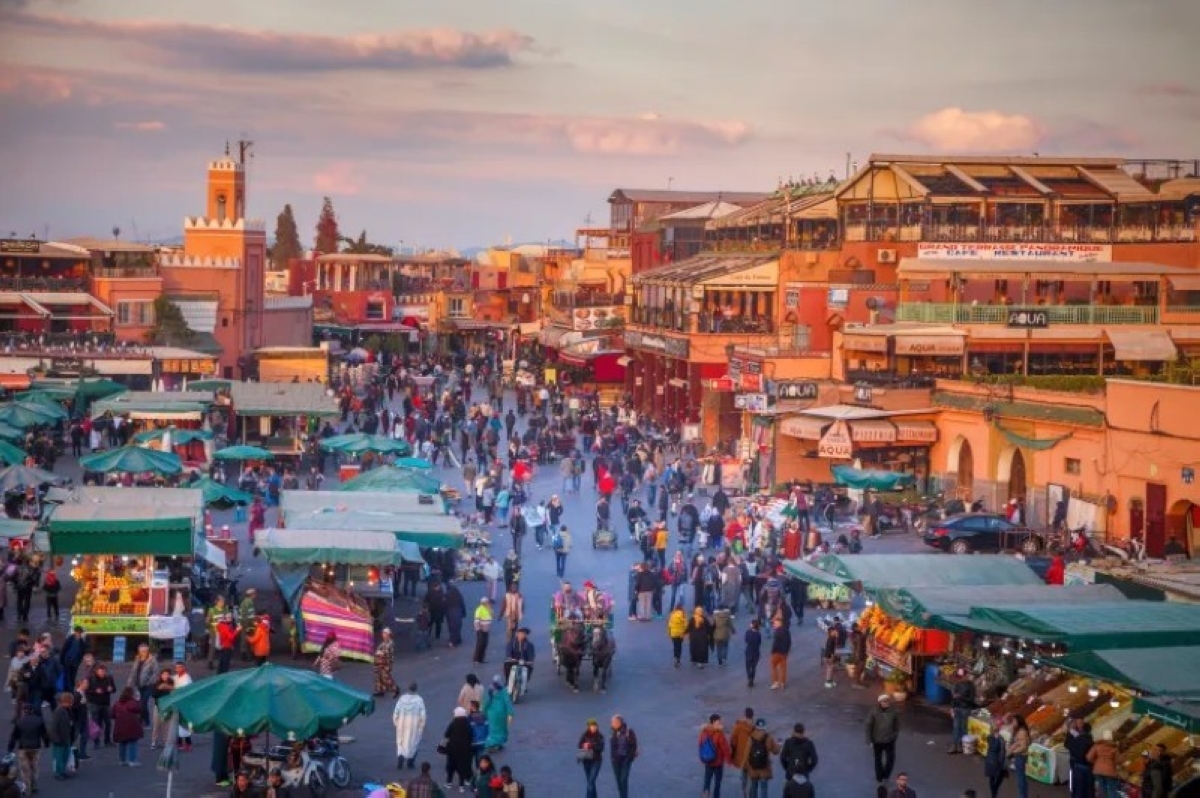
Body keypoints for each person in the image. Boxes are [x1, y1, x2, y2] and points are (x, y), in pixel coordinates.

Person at [10, 702, 48, 793]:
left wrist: (10, 746)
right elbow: (44, 734)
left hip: (23, 747)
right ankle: (34, 784)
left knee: (25, 768)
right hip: (35, 746)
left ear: (24, 711)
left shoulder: (19, 721)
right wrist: (47, 743)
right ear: (33, 710)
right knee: (34, 766)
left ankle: (27, 787)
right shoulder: (39, 720)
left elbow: (15, 735)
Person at [865, 694, 900, 789]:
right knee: (878, 760)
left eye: (888, 701)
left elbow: (897, 726)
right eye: (884, 701)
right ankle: (879, 777)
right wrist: (869, 740)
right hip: (877, 740)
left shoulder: (893, 712)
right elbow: (868, 726)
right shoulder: (874, 712)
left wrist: (894, 736)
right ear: (880, 702)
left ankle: (886, 775)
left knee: (891, 759)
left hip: (889, 740)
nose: (887, 702)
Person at [742, 717, 781, 798]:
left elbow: (746, 754)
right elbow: (776, 751)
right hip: (764, 768)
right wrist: (779, 745)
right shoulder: (768, 738)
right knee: (764, 789)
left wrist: (746, 768)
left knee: (754, 787)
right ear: (765, 727)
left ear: (756, 726)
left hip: (753, 769)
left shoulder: (751, 738)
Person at [393, 682, 427, 770]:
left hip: (402, 723)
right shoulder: (419, 700)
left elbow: (396, 711)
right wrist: (422, 725)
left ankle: (400, 758)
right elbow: (423, 715)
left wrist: (397, 722)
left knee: (400, 742)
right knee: (413, 742)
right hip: (414, 725)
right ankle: (410, 762)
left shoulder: (402, 699)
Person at [698, 713, 732, 798]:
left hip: (708, 761)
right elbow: (725, 748)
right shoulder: (719, 734)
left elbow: (700, 744)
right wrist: (729, 761)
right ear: (713, 722)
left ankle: (705, 796)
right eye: (718, 722)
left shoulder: (704, 732)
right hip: (718, 763)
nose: (720, 723)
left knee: (707, 783)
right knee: (717, 784)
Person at [441, 706, 474, 791]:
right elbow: (471, 735)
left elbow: (446, 734)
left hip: (452, 749)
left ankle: (449, 783)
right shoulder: (467, 723)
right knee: (462, 767)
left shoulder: (453, 723)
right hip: (465, 749)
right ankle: (461, 786)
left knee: (451, 766)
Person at [85, 661, 116, 746]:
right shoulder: (90, 679)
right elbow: (86, 691)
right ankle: (96, 741)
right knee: (96, 723)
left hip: (106, 703)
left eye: (104, 671)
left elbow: (114, 689)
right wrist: (95, 691)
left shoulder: (109, 678)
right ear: (96, 671)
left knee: (108, 723)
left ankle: (107, 741)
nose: (103, 673)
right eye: (101, 672)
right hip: (94, 703)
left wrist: (111, 689)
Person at [112, 686, 144, 766]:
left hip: (120, 726)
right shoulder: (133, 703)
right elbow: (140, 709)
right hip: (132, 726)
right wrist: (138, 700)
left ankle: (122, 760)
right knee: (133, 743)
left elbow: (112, 714)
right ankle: (132, 760)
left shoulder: (117, 703)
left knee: (122, 743)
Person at [609, 714, 638, 798]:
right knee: (618, 781)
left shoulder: (629, 731)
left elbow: (634, 745)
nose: (611, 723)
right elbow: (613, 746)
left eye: (613, 722)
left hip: (626, 760)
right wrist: (612, 758)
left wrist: (630, 757)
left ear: (619, 722)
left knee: (623, 780)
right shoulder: (613, 732)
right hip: (615, 761)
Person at [1064, 719, 1094, 798]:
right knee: (1086, 788)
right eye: (1078, 723)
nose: (1079, 725)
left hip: (1077, 763)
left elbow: (1068, 745)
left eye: (1080, 723)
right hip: (1084, 765)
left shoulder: (1078, 737)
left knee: (1078, 787)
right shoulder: (1088, 740)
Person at [48, 692, 74, 781]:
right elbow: (53, 727)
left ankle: (62, 771)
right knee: (59, 757)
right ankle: (58, 773)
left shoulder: (67, 710)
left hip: (66, 738)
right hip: (60, 740)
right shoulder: (58, 711)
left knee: (64, 756)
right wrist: (56, 739)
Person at [948, 670, 976, 753]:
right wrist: (952, 708)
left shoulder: (971, 686)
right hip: (957, 708)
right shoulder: (957, 684)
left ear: (966, 676)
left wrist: (961, 697)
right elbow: (954, 697)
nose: (960, 678)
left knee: (963, 728)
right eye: (959, 677)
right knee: (956, 727)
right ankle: (954, 745)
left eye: (962, 676)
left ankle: (961, 745)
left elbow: (971, 700)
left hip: (965, 709)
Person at [483, 675, 512, 751]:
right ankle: (499, 743)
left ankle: (491, 744)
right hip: (502, 713)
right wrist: (510, 712)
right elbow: (507, 702)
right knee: (501, 729)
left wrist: (483, 711)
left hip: (492, 714)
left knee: (493, 730)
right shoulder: (503, 690)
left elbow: (486, 702)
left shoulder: (490, 690)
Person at [1088, 730, 1120, 798]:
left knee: (1102, 789)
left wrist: (1096, 763)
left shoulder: (1097, 746)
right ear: (1111, 738)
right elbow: (1118, 761)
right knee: (1112, 790)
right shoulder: (1114, 748)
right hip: (1110, 771)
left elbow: (1089, 757)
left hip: (1098, 771)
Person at [578, 717, 605, 798]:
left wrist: (590, 745)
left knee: (590, 781)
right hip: (586, 760)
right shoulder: (584, 735)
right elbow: (579, 745)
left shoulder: (600, 736)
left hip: (596, 761)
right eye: (591, 726)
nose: (593, 727)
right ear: (588, 727)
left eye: (594, 725)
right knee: (591, 783)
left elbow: (601, 748)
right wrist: (583, 745)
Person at [504, 627, 535, 694]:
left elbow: (531, 656)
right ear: (517, 634)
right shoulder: (512, 643)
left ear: (526, 635)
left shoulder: (529, 645)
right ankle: (507, 682)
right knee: (506, 665)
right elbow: (508, 652)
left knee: (529, 669)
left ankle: (524, 683)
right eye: (520, 634)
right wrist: (509, 657)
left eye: (524, 634)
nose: (521, 635)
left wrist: (529, 661)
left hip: (524, 663)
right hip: (513, 661)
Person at [1007, 714, 1031, 798]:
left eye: (1014, 721)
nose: (1013, 723)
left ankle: (1022, 796)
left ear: (1018, 722)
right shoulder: (1019, 730)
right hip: (1019, 756)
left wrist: (1014, 752)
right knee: (1021, 778)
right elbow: (1018, 742)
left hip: (1021, 756)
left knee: (1020, 778)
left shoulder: (1022, 732)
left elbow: (1023, 746)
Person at [984, 722, 1008, 798]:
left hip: (993, 760)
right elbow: (998, 750)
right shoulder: (996, 739)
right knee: (996, 777)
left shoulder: (993, 737)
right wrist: (997, 739)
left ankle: (994, 793)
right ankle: (994, 793)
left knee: (995, 778)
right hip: (995, 761)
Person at [373, 628, 399, 698]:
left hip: (386, 663)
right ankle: (380, 691)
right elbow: (378, 651)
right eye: (383, 633)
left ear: (388, 635)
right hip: (379, 663)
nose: (383, 635)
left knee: (386, 677)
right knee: (379, 677)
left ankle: (395, 689)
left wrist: (379, 653)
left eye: (385, 633)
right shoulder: (383, 643)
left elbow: (385, 653)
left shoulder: (390, 643)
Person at [770, 616, 792, 690]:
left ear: (779, 623)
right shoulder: (787, 630)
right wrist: (787, 651)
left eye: (774, 623)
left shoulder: (777, 632)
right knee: (783, 668)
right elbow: (789, 642)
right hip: (784, 653)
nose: (773, 625)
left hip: (777, 652)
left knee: (773, 665)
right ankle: (782, 683)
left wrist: (772, 651)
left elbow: (775, 643)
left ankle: (775, 682)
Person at [472, 598, 494, 665]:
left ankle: (481, 659)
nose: (490, 604)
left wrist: (490, 610)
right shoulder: (479, 609)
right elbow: (476, 620)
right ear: (484, 603)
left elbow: (491, 617)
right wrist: (478, 629)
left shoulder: (489, 609)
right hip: (480, 630)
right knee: (480, 644)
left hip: (486, 629)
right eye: (488, 603)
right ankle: (476, 659)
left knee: (485, 644)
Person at [667, 602, 687, 668]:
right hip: (680, 634)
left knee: (675, 646)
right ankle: (678, 659)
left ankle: (675, 658)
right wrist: (685, 633)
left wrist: (669, 633)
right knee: (679, 646)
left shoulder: (672, 614)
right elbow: (685, 625)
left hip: (673, 633)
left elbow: (669, 625)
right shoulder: (683, 615)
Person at [744, 619, 762, 688]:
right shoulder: (758, 634)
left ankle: (749, 679)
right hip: (756, 652)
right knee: (753, 667)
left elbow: (746, 640)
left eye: (751, 623)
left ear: (752, 625)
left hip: (749, 651)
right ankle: (752, 678)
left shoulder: (748, 632)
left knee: (748, 667)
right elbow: (759, 642)